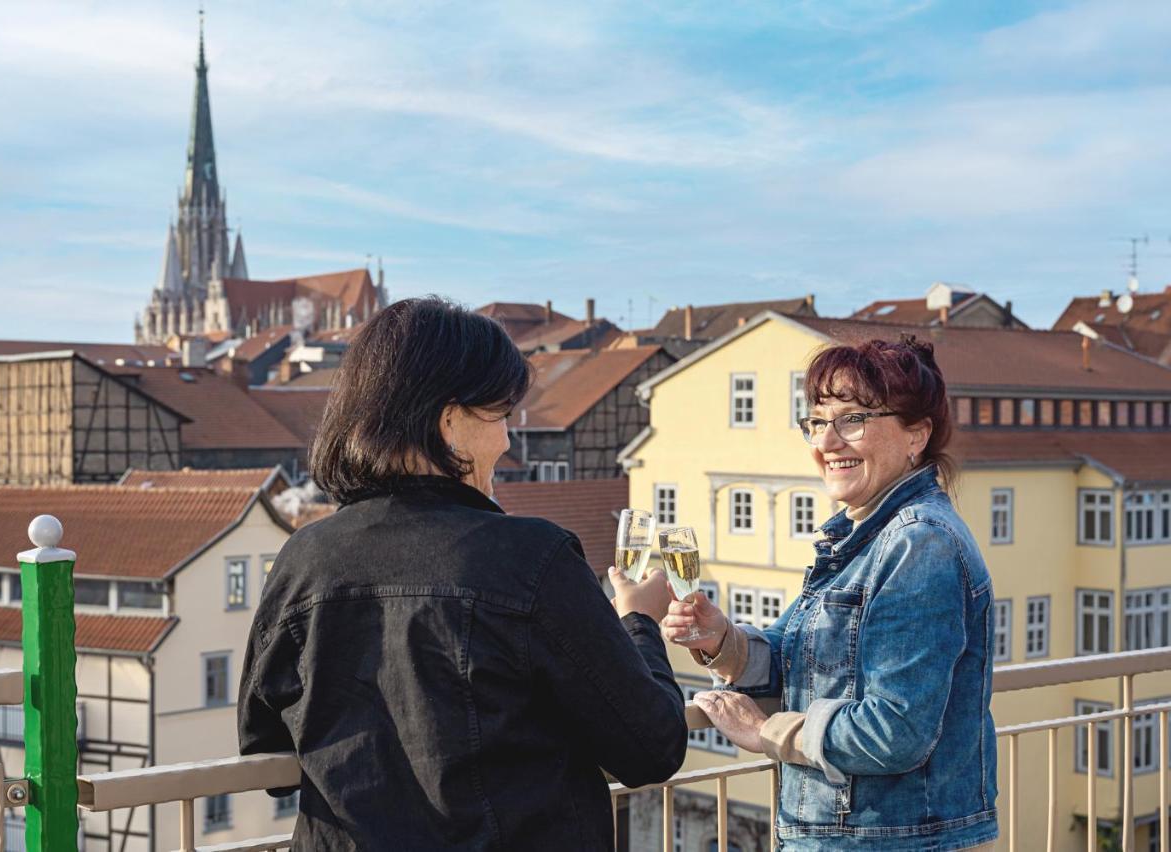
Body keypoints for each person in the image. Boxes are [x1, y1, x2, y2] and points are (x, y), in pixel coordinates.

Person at [238, 297, 687, 851]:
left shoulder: (303, 558)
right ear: (449, 422)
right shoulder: (530, 559)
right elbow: (650, 746)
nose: (506, 441)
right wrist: (638, 621)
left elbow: (265, 744)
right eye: (500, 417)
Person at [664, 336, 998, 851]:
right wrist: (720, 640)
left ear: (917, 434)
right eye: (817, 422)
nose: (827, 442)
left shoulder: (918, 543)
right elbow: (795, 659)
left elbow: (896, 730)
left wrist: (766, 732)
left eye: (853, 419)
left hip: (891, 840)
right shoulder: (858, 535)